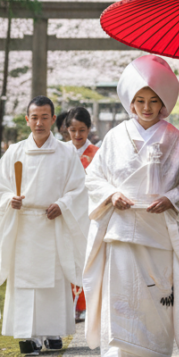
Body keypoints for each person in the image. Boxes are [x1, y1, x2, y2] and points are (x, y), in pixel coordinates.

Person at [83, 56, 179, 357]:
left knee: (156, 300)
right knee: (124, 301)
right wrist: (112, 194)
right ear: (130, 103)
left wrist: (172, 199)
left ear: (163, 104)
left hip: (158, 230)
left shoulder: (177, 139)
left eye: (153, 101)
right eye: (140, 101)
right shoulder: (115, 137)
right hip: (121, 231)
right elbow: (94, 178)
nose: (146, 107)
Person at [0, 97, 89, 355]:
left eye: (45, 117)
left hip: (53, 223)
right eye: (34, 117)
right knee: (25, 280)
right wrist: (9, 200)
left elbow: (79, 189)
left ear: (53, 120)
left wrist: (63, 204)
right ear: (27, 119)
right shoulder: (14, 152)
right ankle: (27, 334)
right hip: (24, 224)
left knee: (53, 277)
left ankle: (52, 329)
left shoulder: (66, 152)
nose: (39, 123)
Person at [67, 106, 97, 322]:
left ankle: (85, 305)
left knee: (86, 259)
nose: (77, 135)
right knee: (67, 258)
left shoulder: (97, 154)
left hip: (88, 213)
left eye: (82, 130)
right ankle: (68, 304)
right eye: (73, 130)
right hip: (66, 214)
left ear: (89, 129)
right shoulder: (61, 152)